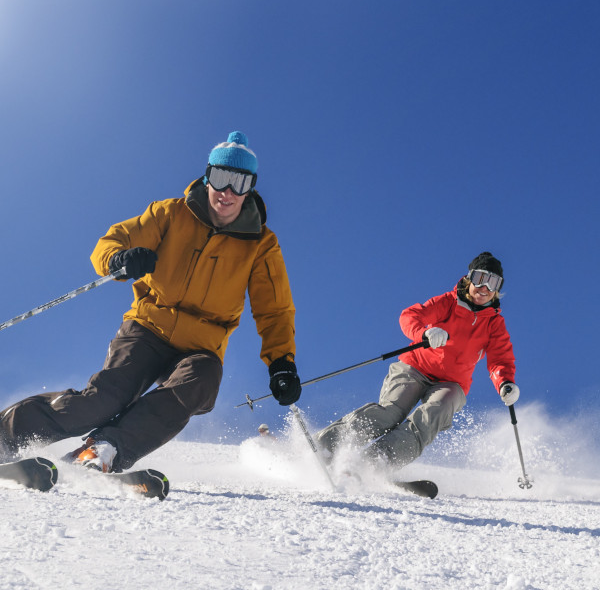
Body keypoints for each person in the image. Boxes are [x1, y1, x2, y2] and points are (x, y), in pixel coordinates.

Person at [0, 131, 302, 472]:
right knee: (104, 400)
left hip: (201, 346)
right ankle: (6, 436)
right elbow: (114, 239)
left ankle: (105, 448)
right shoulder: (171, 213)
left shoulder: (261, 244)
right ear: (208, 177)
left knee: (200, 382)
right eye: (221, 179)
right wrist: (119, 259)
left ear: (250, 188)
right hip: (147, 327)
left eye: (240, 183)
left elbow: (274, 308)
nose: (228, 192)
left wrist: (282, 362)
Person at [315, 251, 520, 469]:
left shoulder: (494, 324)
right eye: (480, 279)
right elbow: (410, 315)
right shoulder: (448, 303)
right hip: (414, 368)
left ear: (498, 289)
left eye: (493, 283)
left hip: (451, 384)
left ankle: (375, 463)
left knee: (430, 417)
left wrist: (505, 382)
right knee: (391, 412)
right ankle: (325, 446)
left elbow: (500, 358)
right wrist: (424, 334)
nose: (485, 288)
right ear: (469, 279)